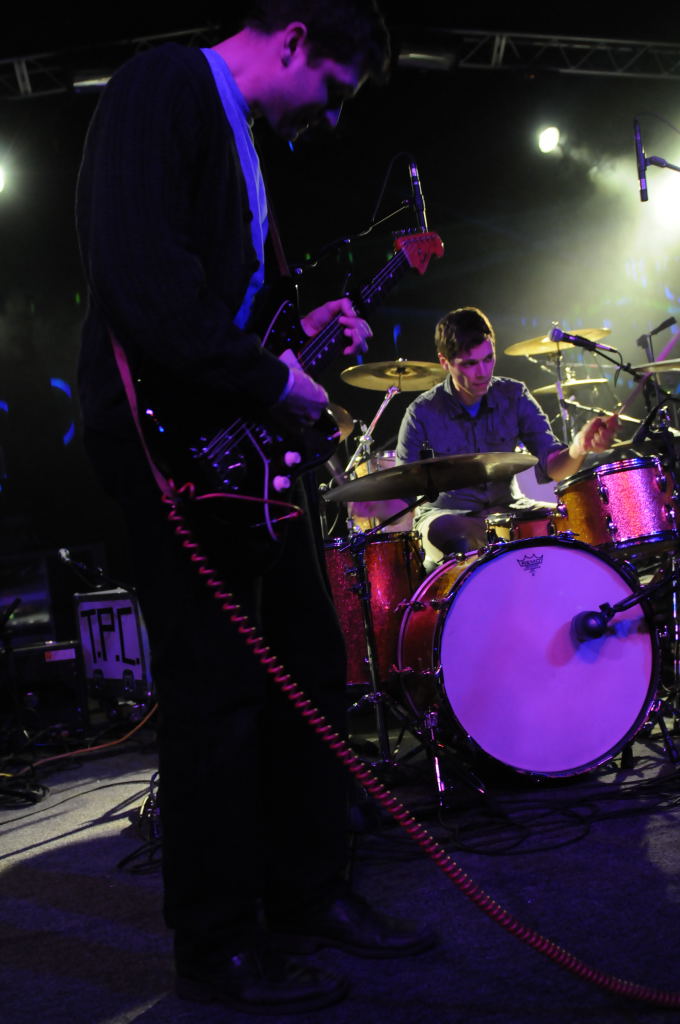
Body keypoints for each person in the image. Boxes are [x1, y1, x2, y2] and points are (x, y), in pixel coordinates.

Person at [76, 1, 435, 1015]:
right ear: (293, 38)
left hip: (240, 458)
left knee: (308, 669)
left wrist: (295, 327)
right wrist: (271, 379)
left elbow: (215, 303)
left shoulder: (239, 139)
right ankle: (219, 943)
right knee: (218, 696)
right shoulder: (163, 86)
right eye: (332, 88)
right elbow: (144, 286)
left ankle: (307, 894)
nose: (331, 115)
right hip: (173, 455)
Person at [396, 306, 619, 564]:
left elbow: (554, 467)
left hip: (508, 509)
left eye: (488, 358)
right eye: (470, 364)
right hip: (445, 514)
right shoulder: (421, 412)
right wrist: (376, 506)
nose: (483, 372)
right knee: (463, 536)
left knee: (579, 522)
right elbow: (402, 491)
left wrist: (578, 448)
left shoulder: (513, 394)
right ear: (444, 362)